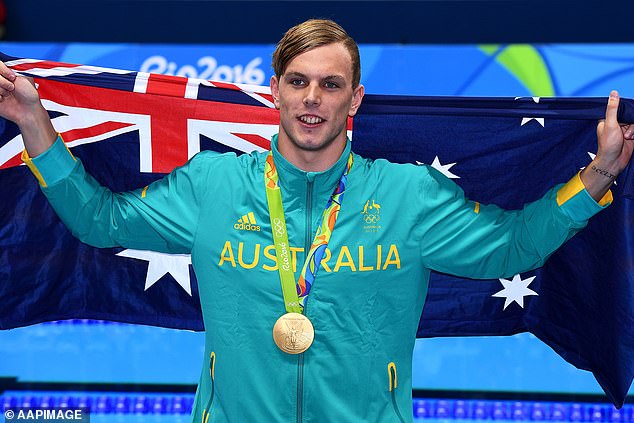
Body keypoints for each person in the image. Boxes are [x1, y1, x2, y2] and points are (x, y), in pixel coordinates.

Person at [0, 19, 632, 423]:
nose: (311, 100)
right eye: (298, 82)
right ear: (275, 90)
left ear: (354, 98)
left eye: (330, 86)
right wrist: (35, 128)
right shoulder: (213, 184)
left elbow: (510, 248)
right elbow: (101, 221)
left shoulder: (408, 195)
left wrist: (597, 176)